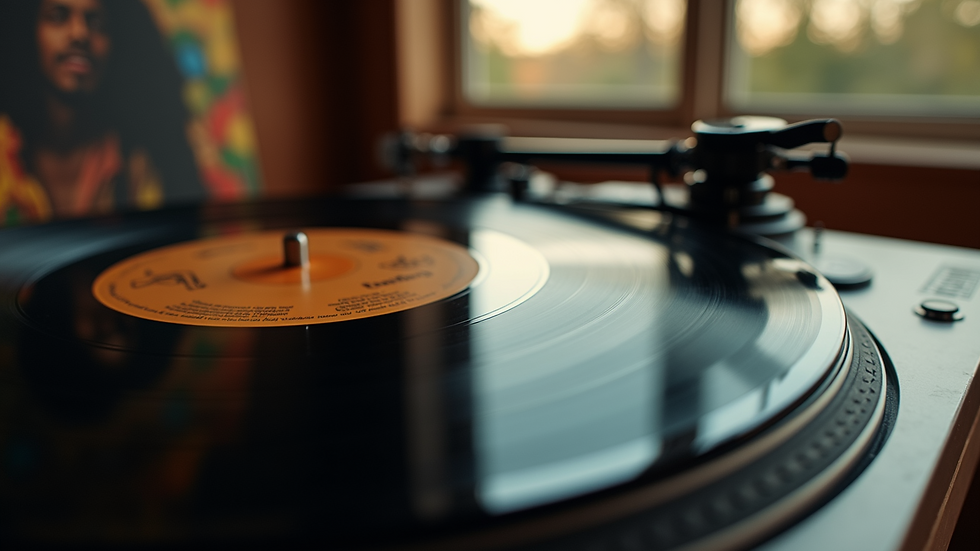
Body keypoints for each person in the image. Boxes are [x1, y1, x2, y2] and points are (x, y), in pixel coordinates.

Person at [0, 0, 204, 225]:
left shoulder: (143, 163)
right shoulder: (4, 150)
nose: (79, 34)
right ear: (27, 30)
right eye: (58, 17)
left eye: (96, 23)